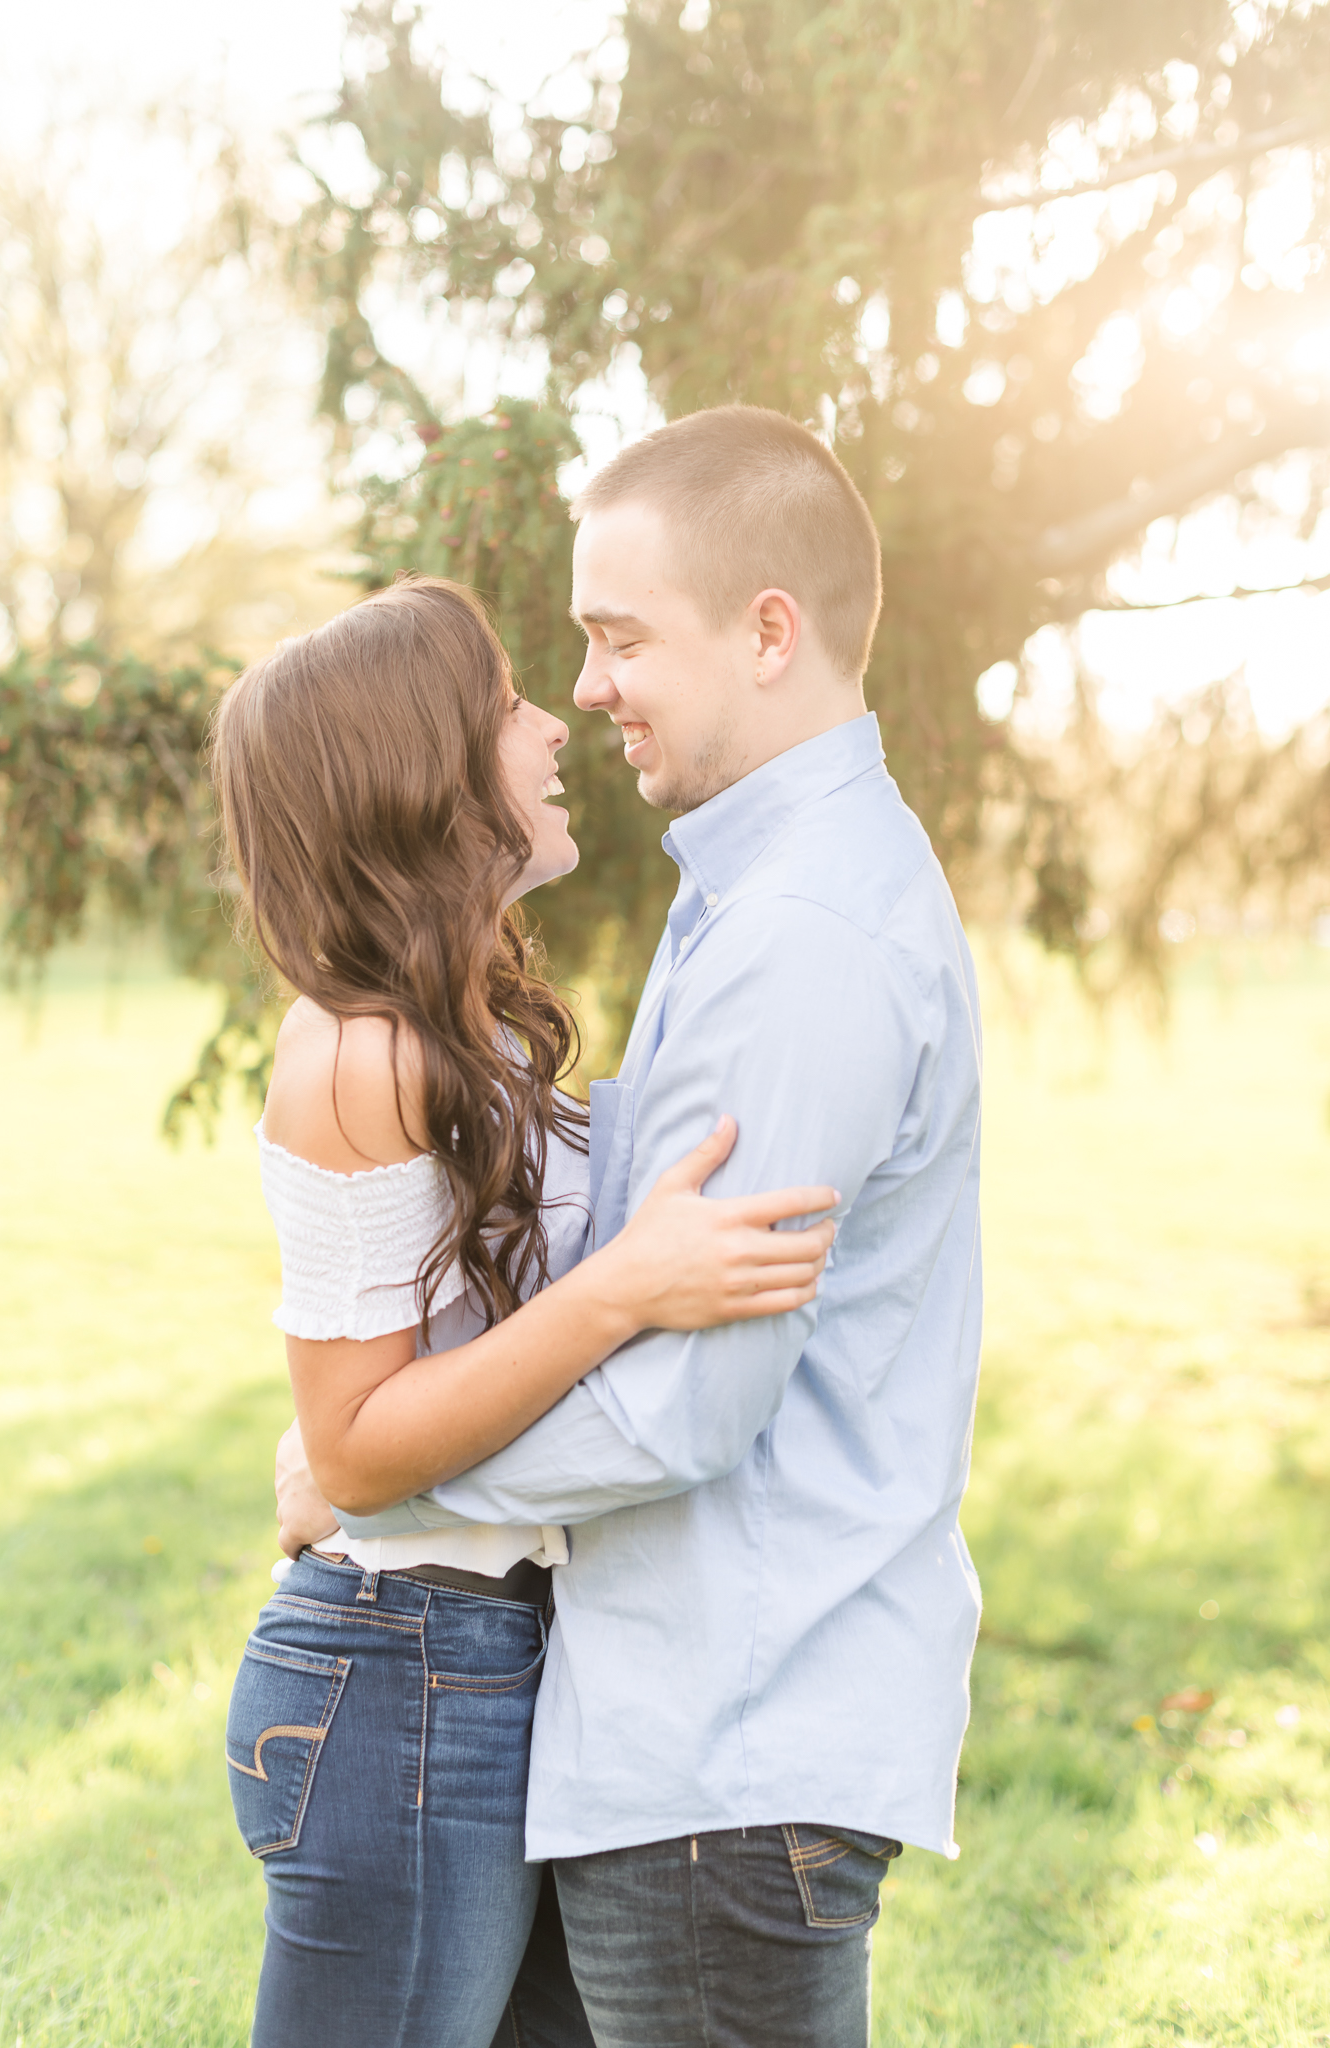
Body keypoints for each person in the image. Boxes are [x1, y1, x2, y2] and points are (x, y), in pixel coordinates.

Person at [277, 406, 985, 2047]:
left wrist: (376, 1473)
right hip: (669, 1738)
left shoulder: (801, 932)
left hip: (726, 1750)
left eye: (617, 638)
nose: (585, 690)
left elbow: (691, 1400)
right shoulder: (751, 887)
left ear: (766, 632)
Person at [211, 574, 840, 2048]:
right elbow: (360, 1452)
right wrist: (627, 1290)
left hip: (488, 1662)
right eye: (506, 705)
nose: (557, 723)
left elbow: (380, 1414)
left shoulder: (462, 1032)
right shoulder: (361, 1052)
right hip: (399, 1677)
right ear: (420, 768)